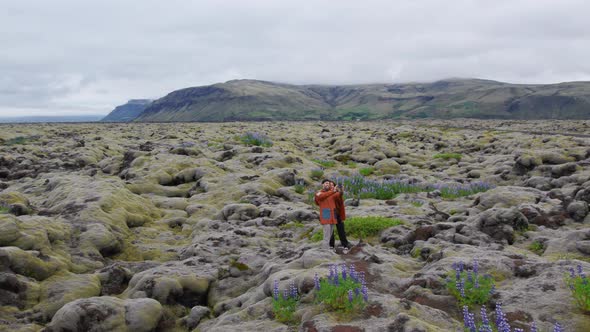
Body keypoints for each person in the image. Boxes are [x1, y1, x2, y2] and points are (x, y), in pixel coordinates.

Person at [314, 179, 351, 251]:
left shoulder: (332, 193)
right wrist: (333, 191)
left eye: (328, 184)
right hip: (326, 212)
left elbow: (338, 195)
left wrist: (341, 190)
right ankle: (325, 249)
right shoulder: (319, 193)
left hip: (332, 213)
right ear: (322, 185)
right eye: (326, 183)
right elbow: (321, 197)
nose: (327, 185)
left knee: (330, 232)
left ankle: (331, 248)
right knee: (327, 233)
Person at [328, 180, 352, 250]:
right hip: (329, 213)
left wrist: (340, 190)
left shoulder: (337, 193)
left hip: (337, 213)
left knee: (341, 229)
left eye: (333, 185)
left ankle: (345, 244)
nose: (331, 186)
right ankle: (331, 245)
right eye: (330, 185)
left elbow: (339, 195)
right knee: (330, 230)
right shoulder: (325, 193)